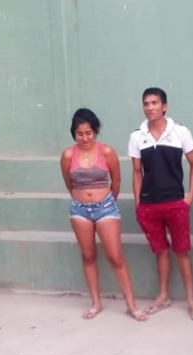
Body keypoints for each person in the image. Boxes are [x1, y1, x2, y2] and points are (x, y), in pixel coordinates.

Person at [60, 108, 147, 321]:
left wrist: (107, 201)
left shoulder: (106, 151)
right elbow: (69, 183)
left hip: (105, 206)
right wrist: (81, 198)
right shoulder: (68, 155)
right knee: (88, 255)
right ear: (74, 133)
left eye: (89, 133)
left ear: (95, 131)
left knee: (115, 256)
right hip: (79, 209)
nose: (85, 138)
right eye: (80, 134)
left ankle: (131, 305)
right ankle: (96, 302)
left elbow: (116, 180)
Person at [128, 87, 193, 321]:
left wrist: (190, 196)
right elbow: (137, 172)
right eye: (146, 103)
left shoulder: (180, 132)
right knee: (161, 251)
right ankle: (163, 296)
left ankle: (191, 300)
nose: (150, 107)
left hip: (176, 204)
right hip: (149, 206)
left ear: (164, 106)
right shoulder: (137, 136)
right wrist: (139, 203)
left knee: (182, 251)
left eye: (154, 103)